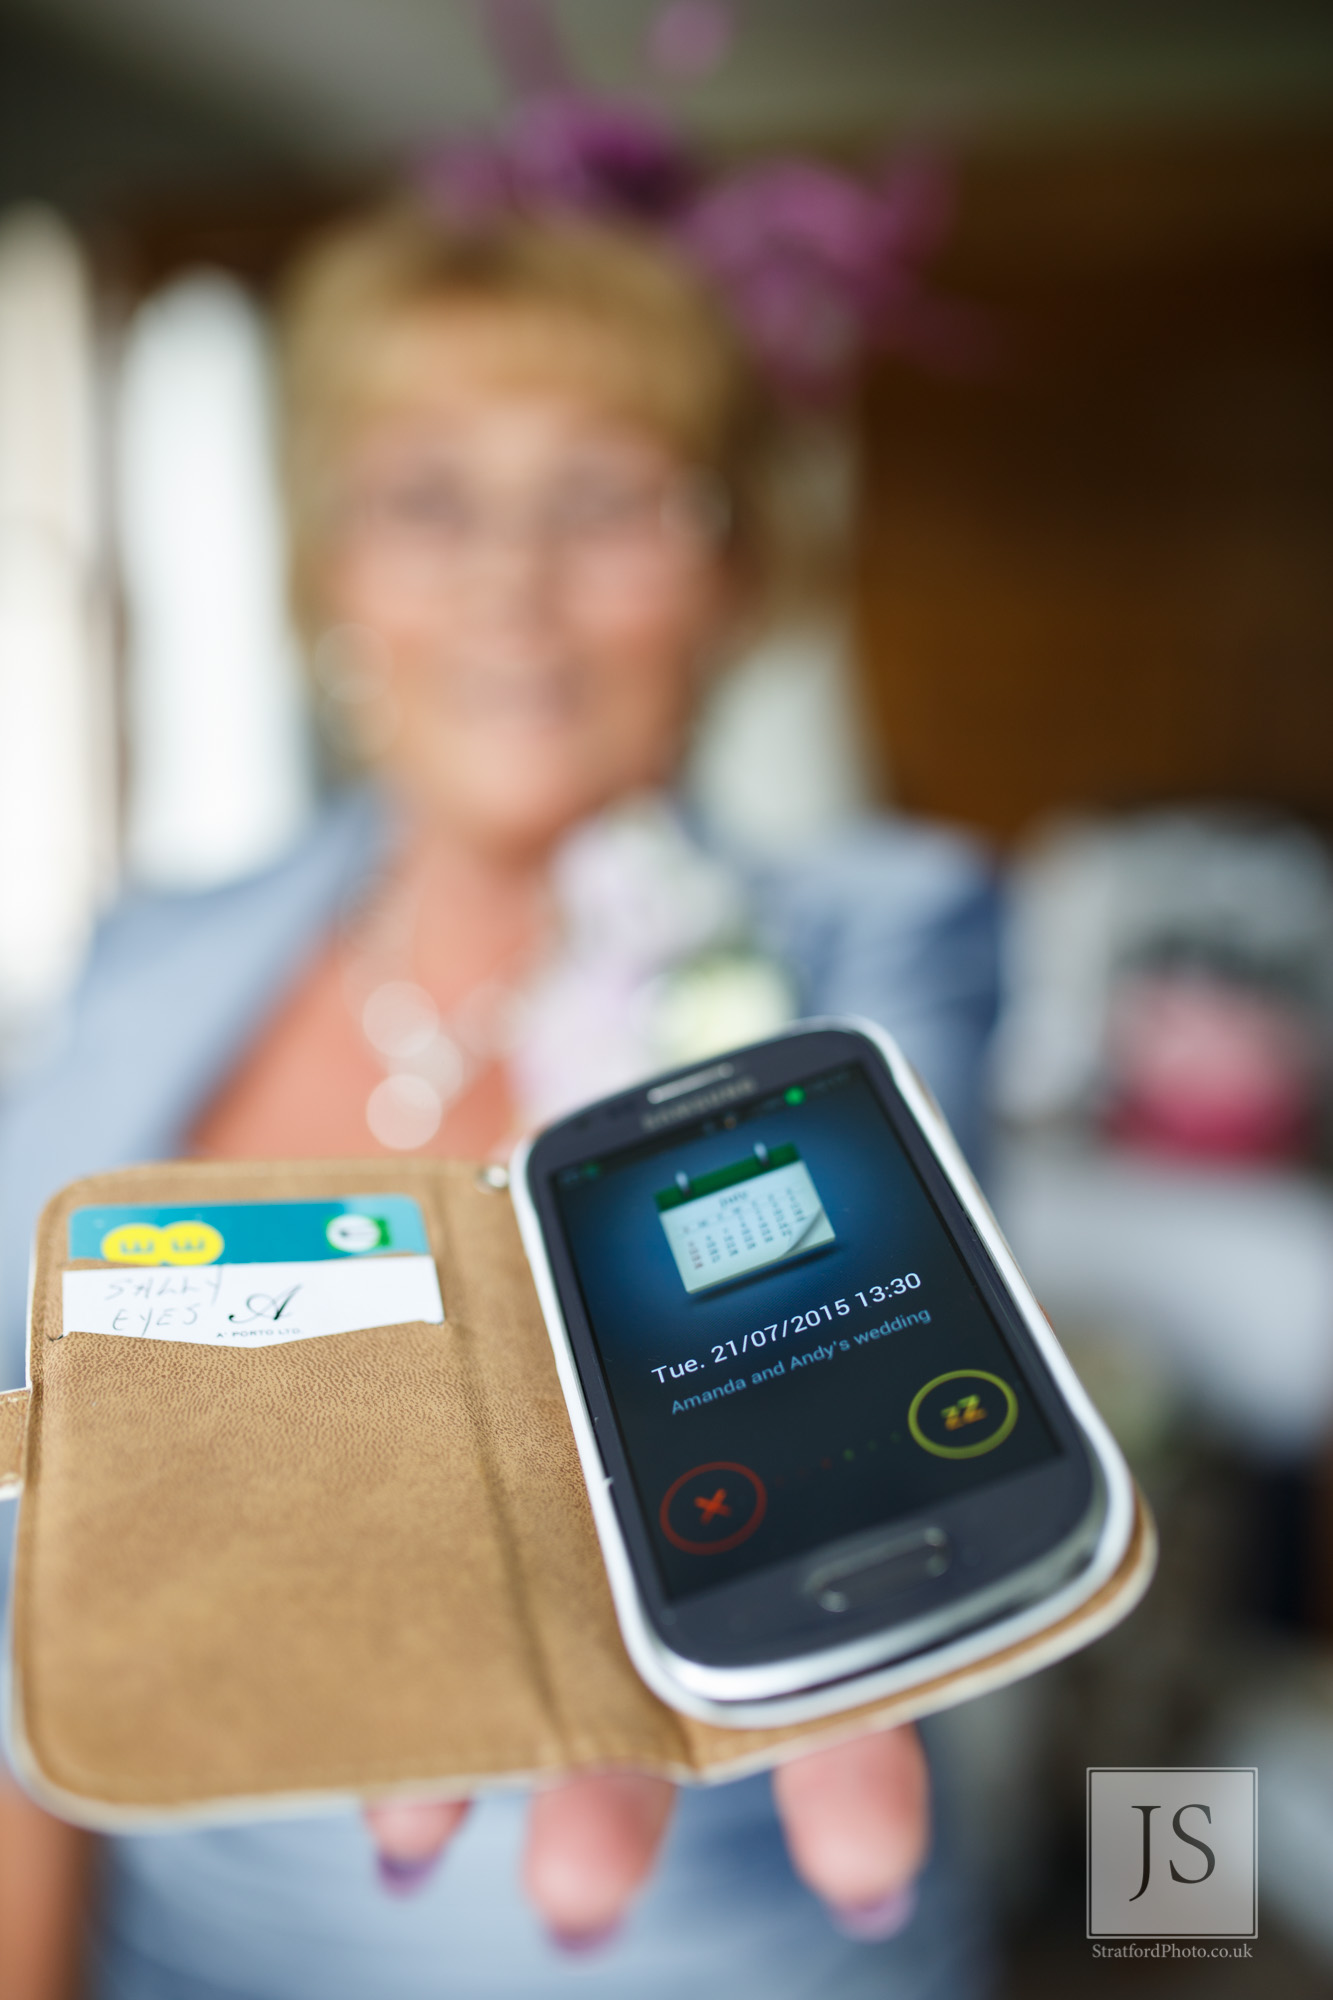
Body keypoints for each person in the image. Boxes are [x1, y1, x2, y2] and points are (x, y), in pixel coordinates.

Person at [0, 193, 998, 1999]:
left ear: (733, 571)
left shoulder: (877, 933)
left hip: (703, 1947)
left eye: (602, 500)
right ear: (326, 569)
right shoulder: (147, 960)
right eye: (427, 497)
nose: (506, 586)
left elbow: (862, 1382)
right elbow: (27, 1566)